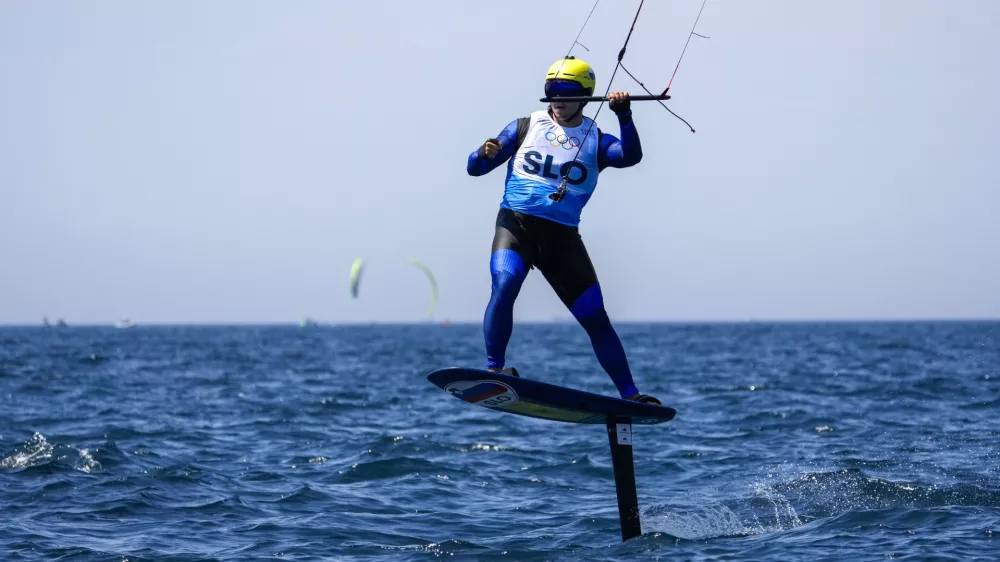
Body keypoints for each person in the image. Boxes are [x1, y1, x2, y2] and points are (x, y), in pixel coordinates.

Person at [465, 56, 661, 405]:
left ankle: (631, 395)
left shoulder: (596, 141)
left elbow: (630, 156)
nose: (558, 99)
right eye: (552, 91)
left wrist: (625, 115)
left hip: (562, 239)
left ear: (585, 97)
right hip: (516, 225)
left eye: (567, 92)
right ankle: (494, 369)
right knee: (505, 283)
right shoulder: (525, 127)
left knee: (595, 317)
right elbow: (475, 169)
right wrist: (483, 153)